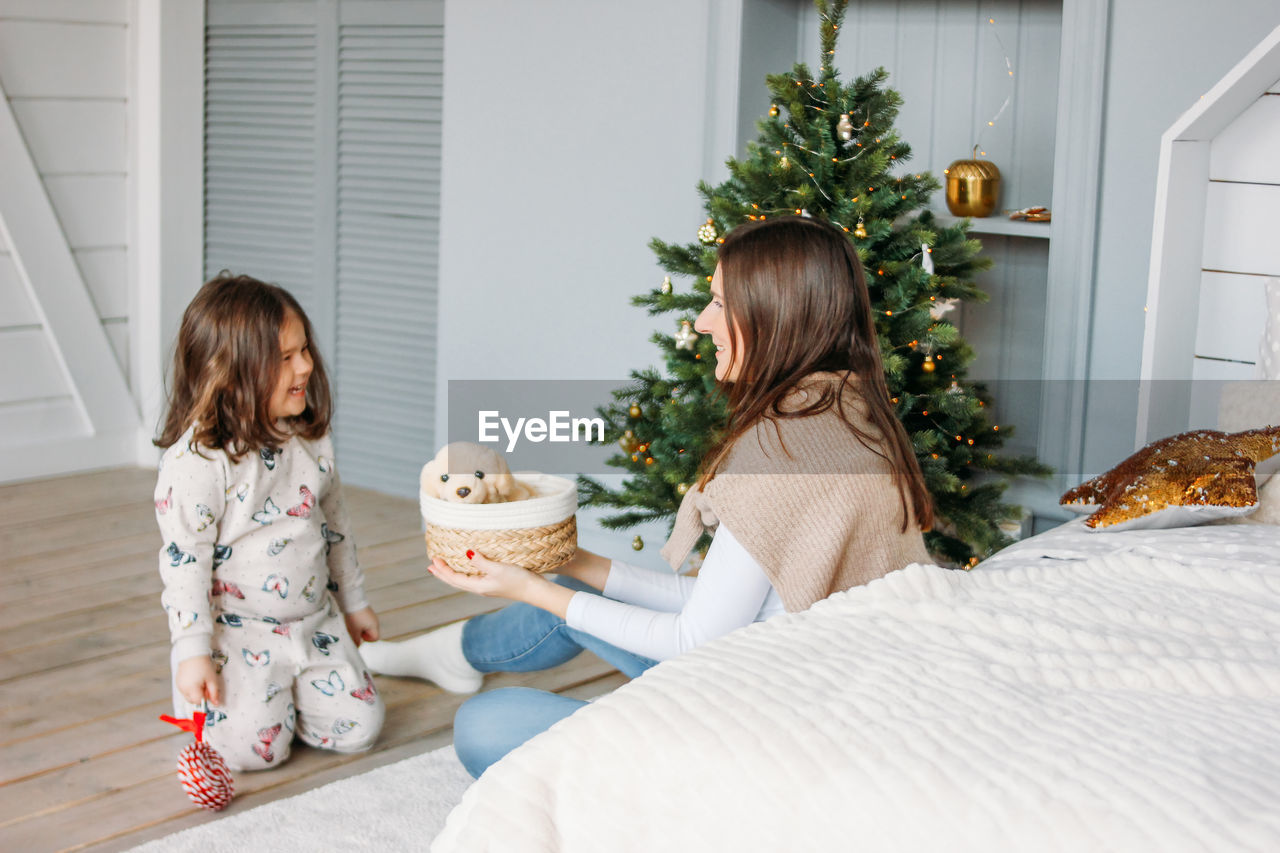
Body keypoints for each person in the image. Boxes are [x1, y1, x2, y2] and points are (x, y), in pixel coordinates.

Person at [360, 215, 933, 778]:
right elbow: (731, 605)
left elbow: (696, 640)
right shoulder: (851, 413)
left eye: (720, 304)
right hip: (798, 675)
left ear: (774, 316)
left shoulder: (777, 453)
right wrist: (572, 564)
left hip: (758, 719)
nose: (704, 321)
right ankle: (447, 653)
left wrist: (532, 590)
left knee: (483, 725)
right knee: (571, 589)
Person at [153, 273, 384, 771]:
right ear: (232, 372)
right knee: (250, 756)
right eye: (285, 358)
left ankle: (292, 699)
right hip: (241, 635)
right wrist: (192, 648)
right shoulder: (199, 462)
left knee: (360, 730)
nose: (305, 366)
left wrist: (354, 604)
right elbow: (184, 563)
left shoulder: (311, 443)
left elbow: (336, 531)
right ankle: (213, 694)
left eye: (305, 351)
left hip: (315, 622)